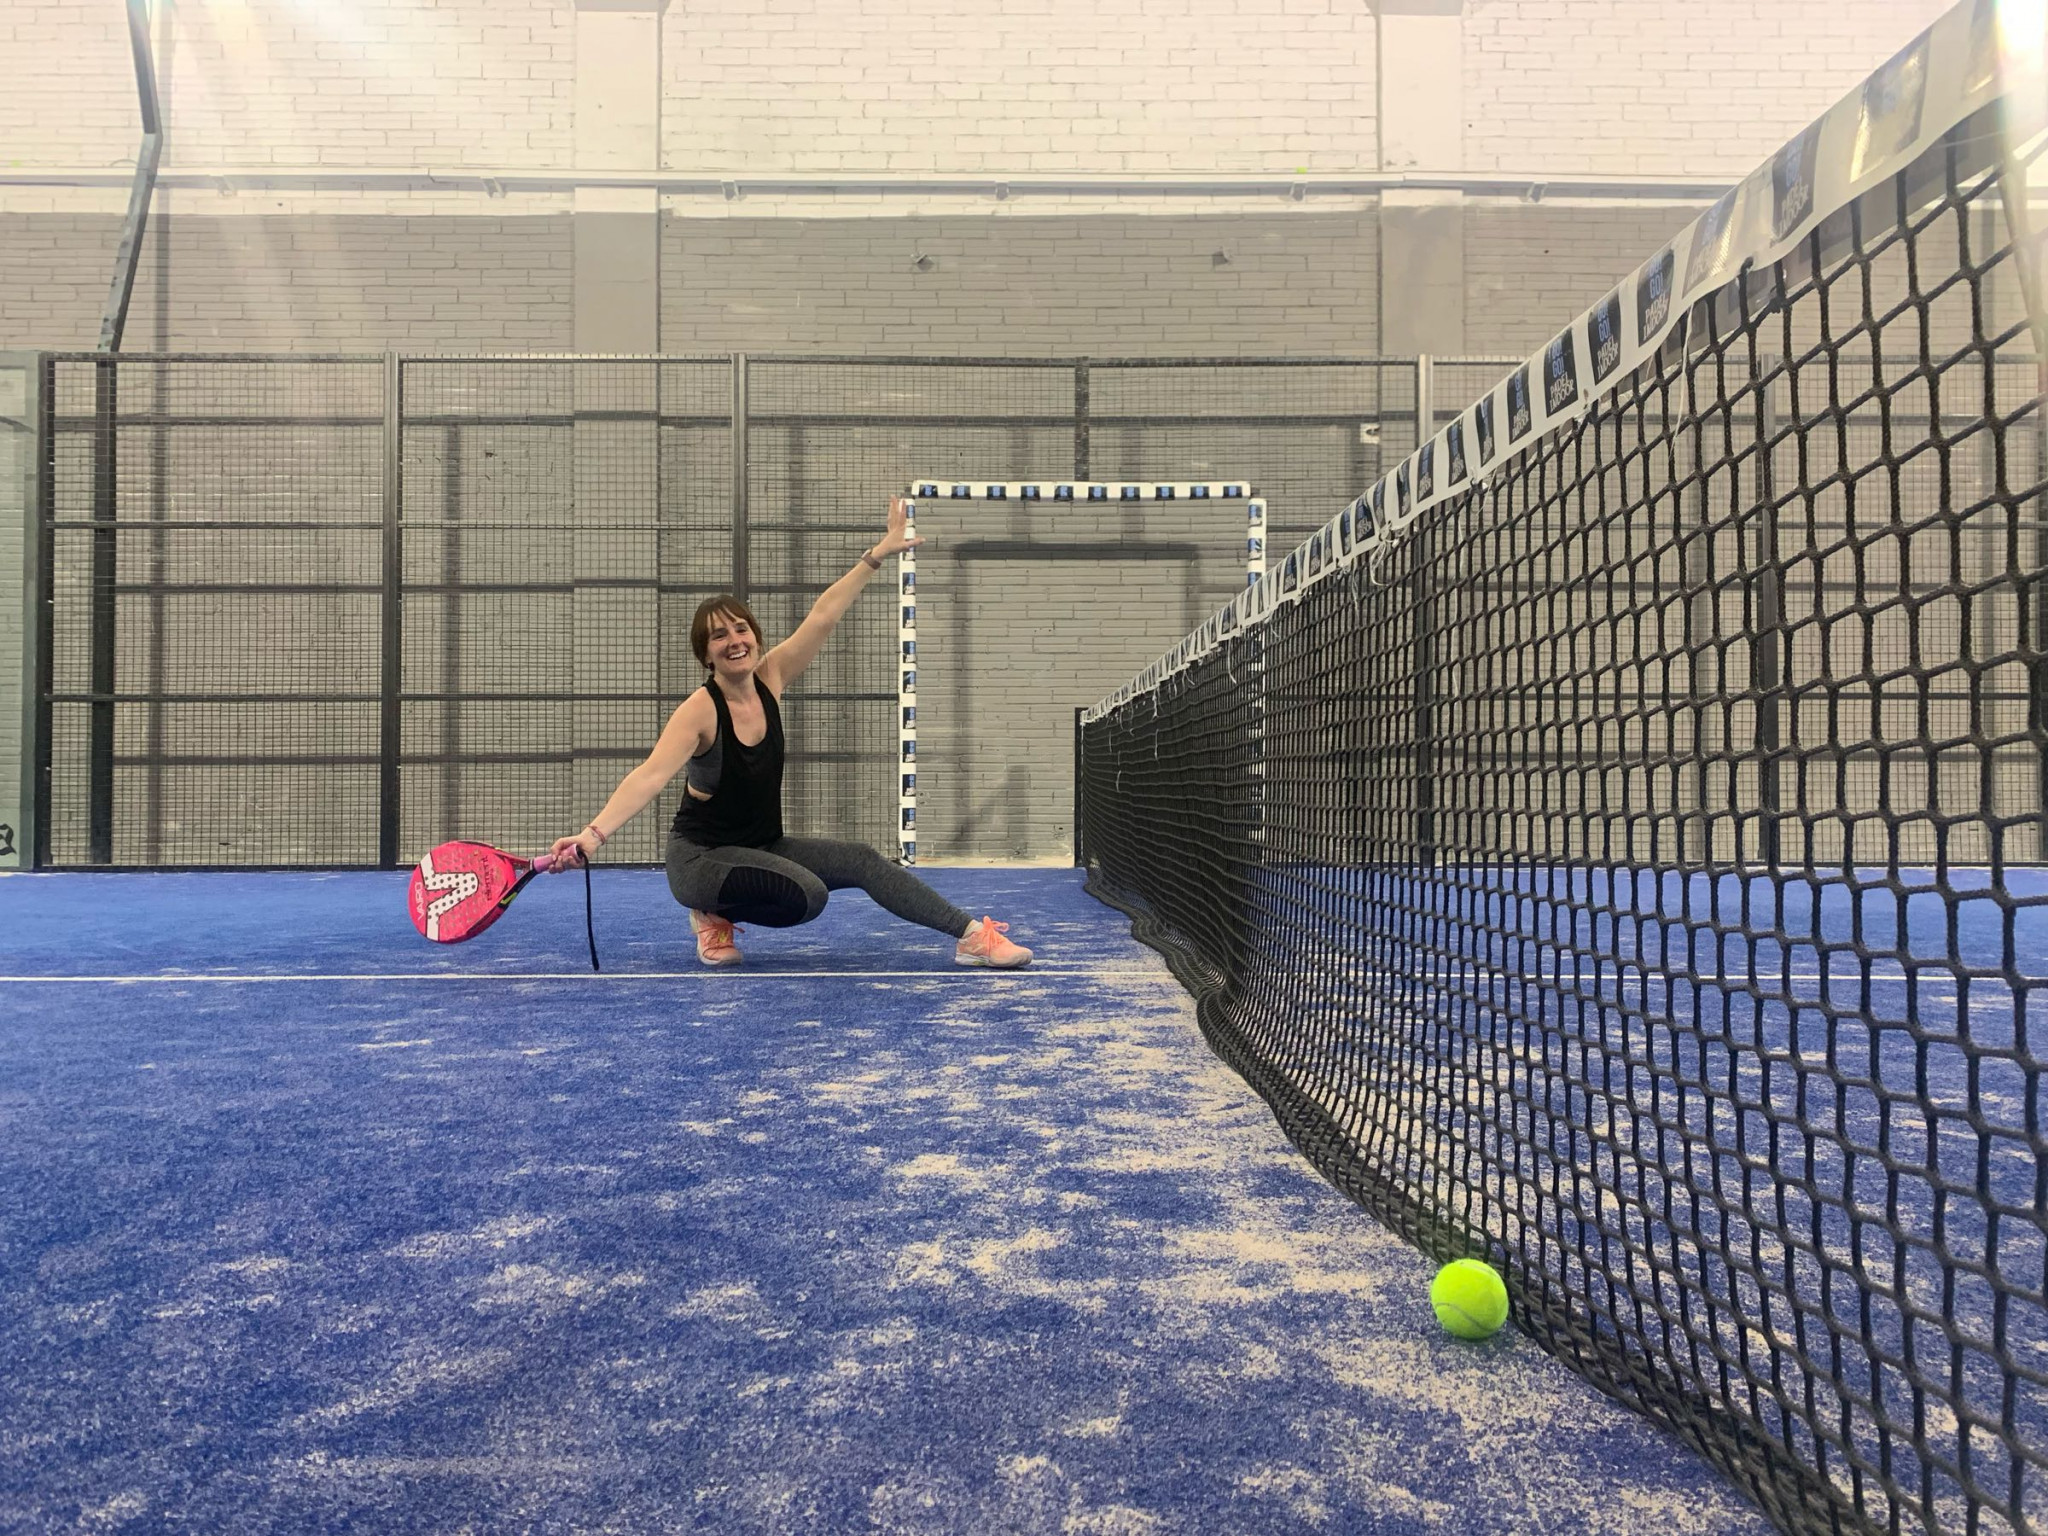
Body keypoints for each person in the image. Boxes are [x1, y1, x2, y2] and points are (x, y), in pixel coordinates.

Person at [548, 496, 1033, 970]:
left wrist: (877, 555)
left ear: (755, 637)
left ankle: (972, 937)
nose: (735, 641)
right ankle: (711, 913)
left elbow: (823, 616)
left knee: (863, 859)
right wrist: (592, 836)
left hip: (763, 847)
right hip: (700, 862)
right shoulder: (699, 711)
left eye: (741, 630)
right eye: (719, 636)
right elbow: (650, 776)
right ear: (706, 654)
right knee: (808, 896)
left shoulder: (771, 677)